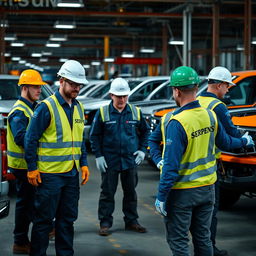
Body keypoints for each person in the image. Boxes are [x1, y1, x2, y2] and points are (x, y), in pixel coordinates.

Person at [149, 66, 254, 256]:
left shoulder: (176, 122)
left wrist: (162, 196)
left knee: (179, 241)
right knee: (203, 239)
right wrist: (244, 141)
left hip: (182, 192)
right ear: (196, 88)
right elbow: (227, 142)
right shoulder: (210, 115)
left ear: (176, 91)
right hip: (208, 189)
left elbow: (171, 168)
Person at [24, 60, 90, 256]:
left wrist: (84, 164)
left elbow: (79, 140)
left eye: (79, 85)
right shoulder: (46, 107)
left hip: (71, 175)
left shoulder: (79, 107)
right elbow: (30, 139)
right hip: (49, 176)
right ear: (61, 81)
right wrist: (32, 167)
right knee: (44, 222)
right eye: (73, 84)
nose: (77, 88)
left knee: (67, 220)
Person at [90, 77, 150, 236]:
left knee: (131, 192)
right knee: (107, 193)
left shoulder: (135, 112)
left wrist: (143, 150)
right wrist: (98, 155)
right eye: (119, 96)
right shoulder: (103, 113)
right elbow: (94, 136)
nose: (122, 99)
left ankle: (131, 221)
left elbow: (146, 132)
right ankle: (105, 223)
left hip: (130, 161)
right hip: (110, 161)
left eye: (125, 96)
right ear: (111, 95)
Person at [197, 66, 241, 256]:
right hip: (209, 167)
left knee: (196, 213)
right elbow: (231, 135)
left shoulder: (196, 101)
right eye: (227, 86)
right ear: (220, 85)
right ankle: (209, 249)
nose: (228, 90)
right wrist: (244, 140)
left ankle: (202, 248)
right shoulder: (218, 107)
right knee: (210, 211)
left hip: (192, 166)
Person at [7, 69, 46, 254]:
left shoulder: (33, 107)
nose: (39, 90)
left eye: (39, 86)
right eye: (35, 86)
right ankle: (20, 241)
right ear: (24, 88)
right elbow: (21, 138)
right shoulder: (19, 112)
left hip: (30, 164)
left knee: (30, 201)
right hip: (22, 166)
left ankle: (26, 237)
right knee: (26, 203)